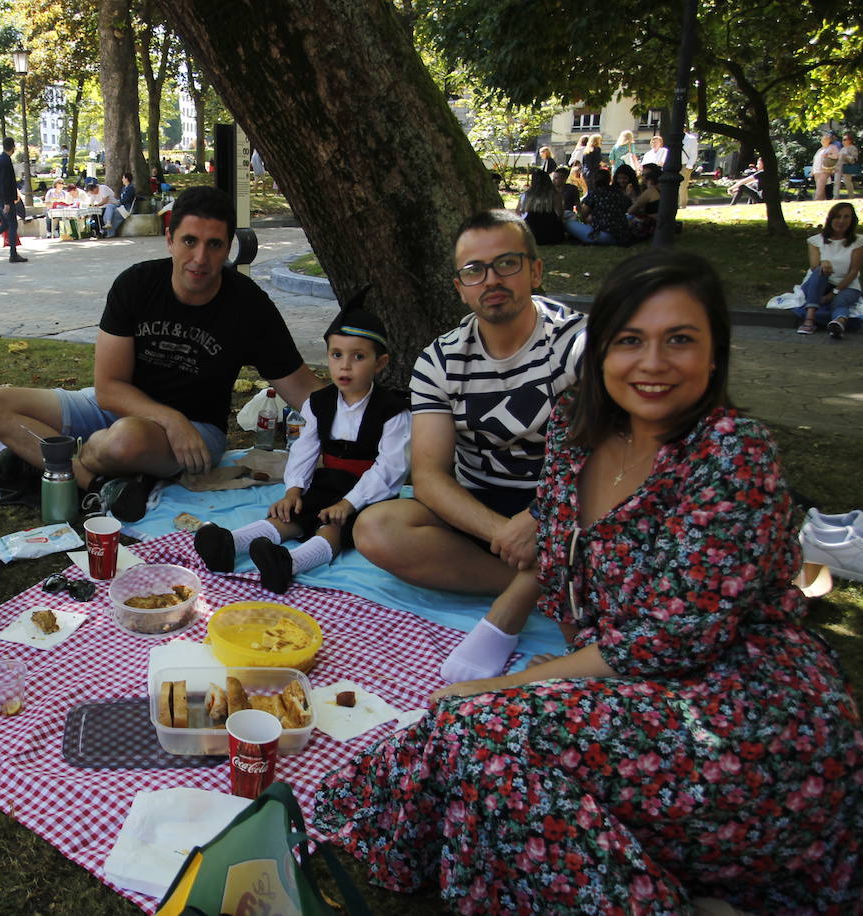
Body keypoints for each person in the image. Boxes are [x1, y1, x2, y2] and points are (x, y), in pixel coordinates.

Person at [313, 249, 863, 914]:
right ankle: (391, 831)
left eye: (680, 340)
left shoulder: (731, 455)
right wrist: (493, 647)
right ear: (600, 350)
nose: (652, 363)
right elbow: (550, 544)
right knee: (465, 731)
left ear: (715, 355)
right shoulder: (583, 423)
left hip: (742, 713)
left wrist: (503, 684)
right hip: (637, 686)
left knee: (481, 732)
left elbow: (664, 645)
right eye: (630, 340)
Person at [0, 186, 322, 521]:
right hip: (123, 411)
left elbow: (304, 391)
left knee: (126, 439)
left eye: (214, 245)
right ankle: (93, 483)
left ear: (228, 247)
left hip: (197, 431)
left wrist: (366, 424)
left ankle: (49, 460)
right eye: (190, 241)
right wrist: (171, 420)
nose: (200, 258)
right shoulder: (136, 285)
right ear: (169, 238)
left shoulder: (248, 306)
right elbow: (109, 389)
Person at [352, 210, 585, 682]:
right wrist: (505, 533)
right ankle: (544, 580)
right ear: (460, 286)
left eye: (507, 264)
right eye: (474, 271)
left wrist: (541, 520)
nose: (491, 280)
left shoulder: (577, 344)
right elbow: (431, 477)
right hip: (483, 508)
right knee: (375, 528)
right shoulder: (439, 359)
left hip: (569, 505)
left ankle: (537, 583)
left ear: (535, 271)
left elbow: (608, 456)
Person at [194, 305, 410, 592]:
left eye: (358, 357)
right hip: (330, 482)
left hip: (370, 494)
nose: (345, 366)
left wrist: (349, 503)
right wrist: (293, 490)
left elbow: (389, 469)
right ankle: (229, 544)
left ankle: (288, 564)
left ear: (380, 363)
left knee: (332, 523)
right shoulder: (319, 403)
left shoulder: (393, 411)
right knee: (293, 513)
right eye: (337, 355)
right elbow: (304, 450)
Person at [794, 201, 862, 338]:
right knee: (821, 270)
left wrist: (834, 293)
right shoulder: (816, 240)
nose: (841, 221)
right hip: (818, 283)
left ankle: (838, 322)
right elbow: (814, 266)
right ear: (830, 219)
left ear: (852, 220)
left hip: (847, 284)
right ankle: (809, 319)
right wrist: (823, 262)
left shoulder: (858, 241)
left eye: (846, 217)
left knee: (840, 301)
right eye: (837, 217)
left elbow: (854, 272)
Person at [565, 168, 635, 246]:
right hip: (622, 235)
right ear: (609, 180)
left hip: (603, 235)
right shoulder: (618, 193)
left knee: (568, 223)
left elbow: (583, 214)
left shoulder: (595, 194)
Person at [515, 168, 566, 245]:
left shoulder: (525, 195)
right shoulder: (555, 195)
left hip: (530, 235)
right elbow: (559, 215)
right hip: (552, 236)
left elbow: (518, 215)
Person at [627, 163, 662, 241]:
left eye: (644, 175)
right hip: (664, 226)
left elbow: (631, 210)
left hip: (651, 228)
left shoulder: (651, 190)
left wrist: (631, 197)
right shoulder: (665, 189)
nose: (642, 177)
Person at [106, 171, 136, 238]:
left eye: (123, 178)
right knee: (109, 207)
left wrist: (118, 202)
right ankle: (107, 223)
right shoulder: (124, 188)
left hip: (127, 208)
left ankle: (110, 233)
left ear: (126, 179)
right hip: (121, 206)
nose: (122, 179)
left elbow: (126, 200)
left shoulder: (130, 188)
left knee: (114, 213)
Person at [815, 132, 842, 202]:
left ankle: (816, 200)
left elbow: (836, 156)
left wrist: (828, 155)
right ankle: (822, 201)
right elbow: (815, 160)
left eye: (825, 140)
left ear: (829, 140)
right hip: (816, 170)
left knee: (820, 186)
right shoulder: (820, 149)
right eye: (822, 140)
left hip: (825, 169)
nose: (823, 141)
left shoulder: (832, 147)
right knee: (820, 186)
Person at [678, 128, 700, 208]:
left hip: (685, 165)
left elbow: (694, 153)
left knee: (682, 186)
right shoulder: (675, 137)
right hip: (675, 164)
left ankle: (681, 205)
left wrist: (689, 166)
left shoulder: (691, 139)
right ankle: (679, 203)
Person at [837, 132, 858, 199]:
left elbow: (854, 158)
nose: (843, 141)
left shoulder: (852, 148)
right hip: (839, 166)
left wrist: (846, 157)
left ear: (850, 140)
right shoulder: (842, 149)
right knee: (836, 182)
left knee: (847, 182)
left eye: (845, 139)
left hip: (846, 166)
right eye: (843, 139)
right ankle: (835, 197)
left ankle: (851, 196)